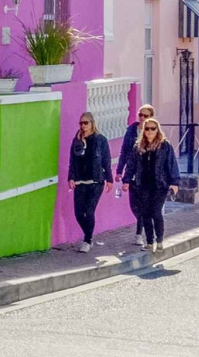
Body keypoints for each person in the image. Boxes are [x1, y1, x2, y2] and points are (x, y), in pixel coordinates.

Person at [123, 117, 180, 252]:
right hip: (142, 185)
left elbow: (171, 164)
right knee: (145, 213)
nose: (149, 131)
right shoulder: (138, 147)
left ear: (157, 130)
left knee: (156, 212)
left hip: (160, 185)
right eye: (147, 129)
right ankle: (149, 242)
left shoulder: (165, 146)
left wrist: (174, 182)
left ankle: (159, 240)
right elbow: (131, 165)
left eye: (152, 129)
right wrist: (126, 180)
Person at [68, 112, 113, 253]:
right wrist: (71, 177)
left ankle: (87, 241)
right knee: (78, 213)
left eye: (85, 122)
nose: (83, 125)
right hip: (80, 181)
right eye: (81, 123)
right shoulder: (77, 140)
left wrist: (109, 179)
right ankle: (89, 236)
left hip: (96, 181)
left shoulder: (100, 140)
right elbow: (72, 161)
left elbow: (106, 161)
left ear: (92, 123)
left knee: (89, 211)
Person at [119, 104, 157, 246]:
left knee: (143, 204)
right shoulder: (131, 130)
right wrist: (120, 170)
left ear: (151, 117)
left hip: (147, 175)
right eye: (140, 115)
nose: (142, 118)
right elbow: (124, 151)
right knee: (134, 205)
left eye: (145, 115)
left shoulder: (154, 133)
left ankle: (139, 233)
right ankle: (145, 222)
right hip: (132, 172)